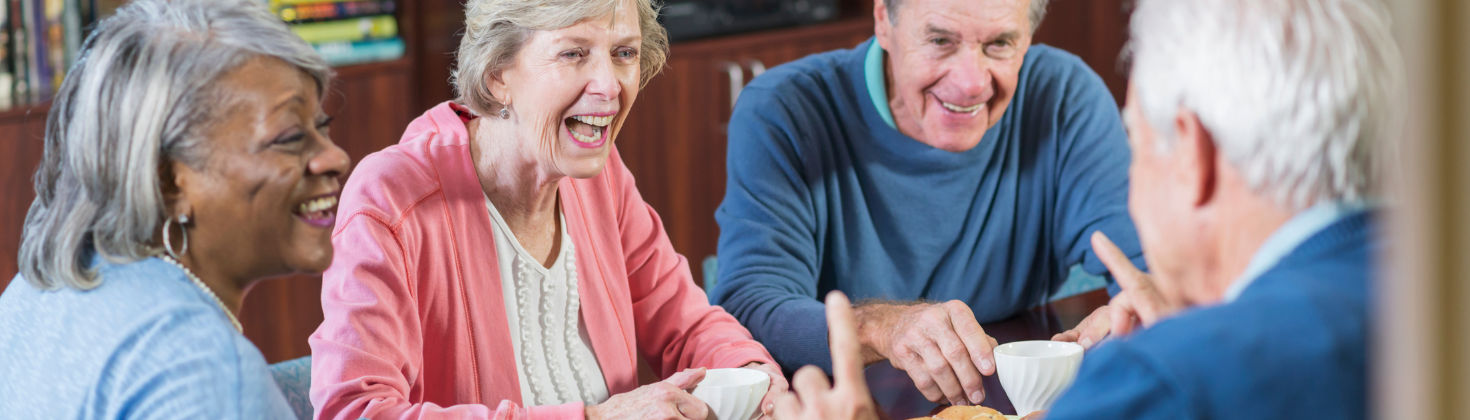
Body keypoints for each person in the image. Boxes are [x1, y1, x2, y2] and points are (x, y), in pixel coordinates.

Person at [772, 0, 1400, 418]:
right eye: (940, 40)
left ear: (1193, 156)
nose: (971, 83)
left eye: (1138, 139)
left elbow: (1138, 272)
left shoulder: (1154, 383)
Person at [308, 0, 787, 418]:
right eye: (573, 53)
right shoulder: (390, 201)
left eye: (624, 53)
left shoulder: (602, 176)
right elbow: (355, 412)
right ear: (498, 75)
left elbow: (685, 323)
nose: (610, 86)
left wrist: (755, 378)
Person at [711, 0, 1144, 406]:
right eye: (940, 41)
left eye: (1000, 44)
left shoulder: (1065, 96)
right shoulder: (784, 107)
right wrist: (882, 327)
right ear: (884, 20)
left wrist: (1142, 307)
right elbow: (749, 303)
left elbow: (1145, 265)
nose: (972, 82)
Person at [0, 0, 348, 418]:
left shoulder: (38, 286)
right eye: (291, 136)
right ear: (167, 180)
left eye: (321, 127)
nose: (336, 157)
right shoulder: (209, 370)